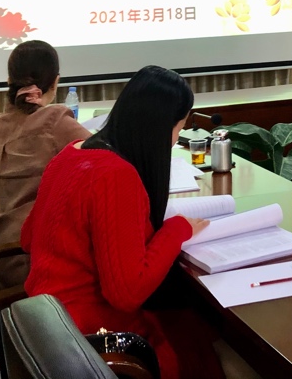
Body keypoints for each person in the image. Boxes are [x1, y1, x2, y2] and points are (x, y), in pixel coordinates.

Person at [21, 66, 220, 379]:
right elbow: (127, 294)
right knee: (199, 339)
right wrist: (177, 230)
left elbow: (28, 237)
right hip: (86, 336)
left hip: (45, 320)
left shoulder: (70, 154)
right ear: (161, 127)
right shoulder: (116, 176)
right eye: (178, 129)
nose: (173, 141)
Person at [0, 40, 89, 289]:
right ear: (56, 82)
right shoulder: (53, 121)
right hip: (38, 265)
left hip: (3, 262)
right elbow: (110, 158)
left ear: (10, 81)